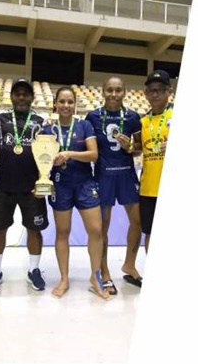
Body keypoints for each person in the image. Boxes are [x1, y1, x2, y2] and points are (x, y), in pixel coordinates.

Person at [0, 79, 50, 293]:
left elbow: (47, 155)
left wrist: (42, 183)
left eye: (25, 94)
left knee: (34, 229)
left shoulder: (41, 121)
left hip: (32, 188)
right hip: (3, 186)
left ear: (32, 97)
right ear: (12, 97)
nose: (21, 97)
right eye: (18, 94)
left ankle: (34, 270)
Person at [43, 86, 109, 299]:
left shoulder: (84, 126)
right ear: (55, 104)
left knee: (96, 230)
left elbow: (93, 155)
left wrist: (70, 153)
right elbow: (42, 159)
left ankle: (95, 276)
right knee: (63, 233)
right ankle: (64, 278)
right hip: (60, 185)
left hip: (84, 184)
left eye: (70, 102)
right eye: (61, 101)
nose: (65, 106)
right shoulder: (48, 129)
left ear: (75, 104)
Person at [85, 76, 142, 294]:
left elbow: (139, 148)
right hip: (103, 176)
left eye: (118, 90)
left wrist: (131, 148)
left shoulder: (132, 117)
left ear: (125, 92)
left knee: (137, 221)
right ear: (102, 91)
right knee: (103, 227)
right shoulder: (92, 116)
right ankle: (104, 270)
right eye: (110, 89)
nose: (114, 94)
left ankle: (129, 264)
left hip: (127, 175)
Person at [134, 69, 173, 287]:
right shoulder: (143, 121)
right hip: (148, 189)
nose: (155, 95)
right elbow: (138, 150)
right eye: (151, 91)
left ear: (169, 91)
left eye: (159, 90)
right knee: (150, 234)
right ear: (146, 94)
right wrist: (129, 146)